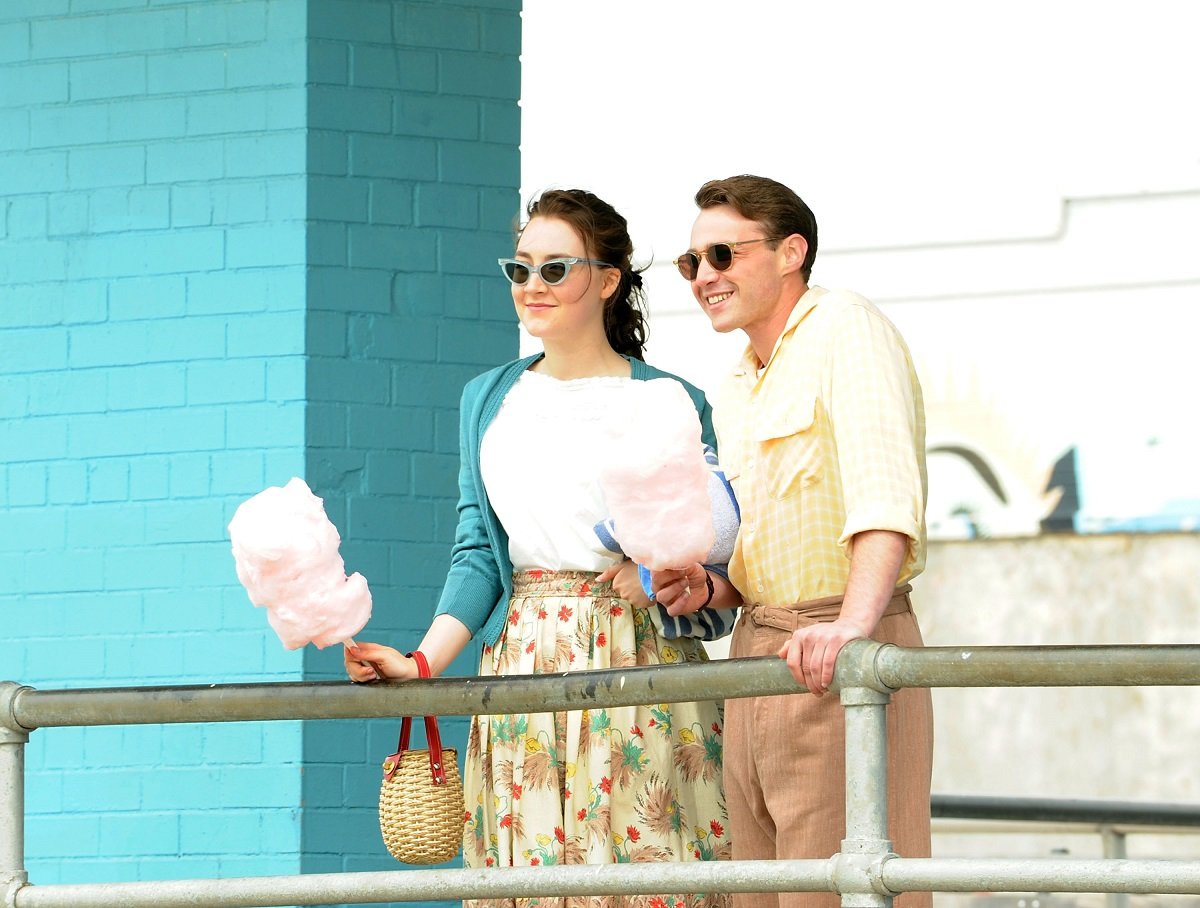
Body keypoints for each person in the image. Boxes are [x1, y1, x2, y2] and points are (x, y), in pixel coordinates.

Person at [345, 188, 738, 908]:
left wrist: (656, 573)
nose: (533, 286)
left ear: (609, 279)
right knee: (526, 879)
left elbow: (715, 553)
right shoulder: (487, 400)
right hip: (519, 663)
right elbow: (477, 554)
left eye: (556, 269)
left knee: (649, 871)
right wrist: (424, 661)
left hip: (637, 655)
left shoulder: (671, 399)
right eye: (520, 269)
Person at [652, 175, 933, 908]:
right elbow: (767, 535)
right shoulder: (736, 384)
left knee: (853, 892)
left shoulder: (847, 328)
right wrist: (715, 590)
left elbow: (884, 491)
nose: (704, 276)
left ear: (790, 252)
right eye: (691, 264)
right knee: (764, 895)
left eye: (721, 253)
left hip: (840, 652)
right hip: (757, 653)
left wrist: (853, 627)